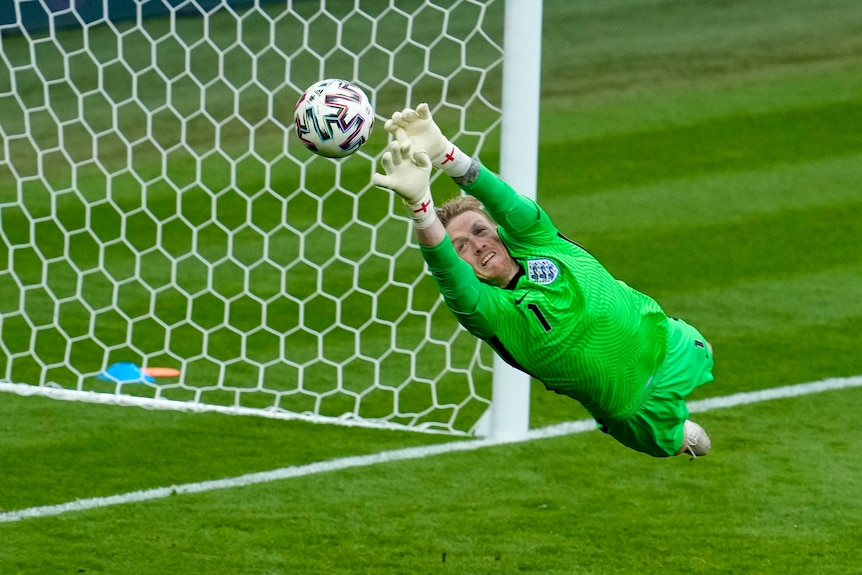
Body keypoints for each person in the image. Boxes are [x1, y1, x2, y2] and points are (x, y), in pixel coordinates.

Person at [372, 103, 715, 458]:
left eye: (481, 231)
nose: (478, 245)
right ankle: (682, 434)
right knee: (685, 444)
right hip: (636, 409)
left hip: (672, 344)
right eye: (462, 246)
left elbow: (501, 199)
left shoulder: (538, 239)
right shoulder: (489, 311)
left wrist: (446, 154)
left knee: (706, 356)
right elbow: (446, 271)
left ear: (499, 230)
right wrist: (420, 205)